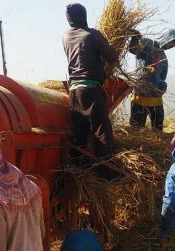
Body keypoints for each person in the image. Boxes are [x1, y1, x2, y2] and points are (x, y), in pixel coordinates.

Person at [62, 3, 117, 161]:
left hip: (73, 92)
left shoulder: (65, 37)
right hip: (90, 91)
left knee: (80, 134)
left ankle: (80, 170)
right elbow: (113, 57)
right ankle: (106, 173)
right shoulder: (92, 35)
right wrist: (105, 73)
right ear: (84, 16)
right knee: (101, 133)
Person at [128, 28, 175, 131]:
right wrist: (135, 38)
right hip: (141, 93)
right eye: (170, 43)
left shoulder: (164, 58)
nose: (170, 47)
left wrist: (163, 85)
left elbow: (162, 78)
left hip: (155, 96)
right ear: (165, 38)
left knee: (157, 128)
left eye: (172, 46)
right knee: (136, 128)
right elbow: (134, 49)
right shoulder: (147, 43)